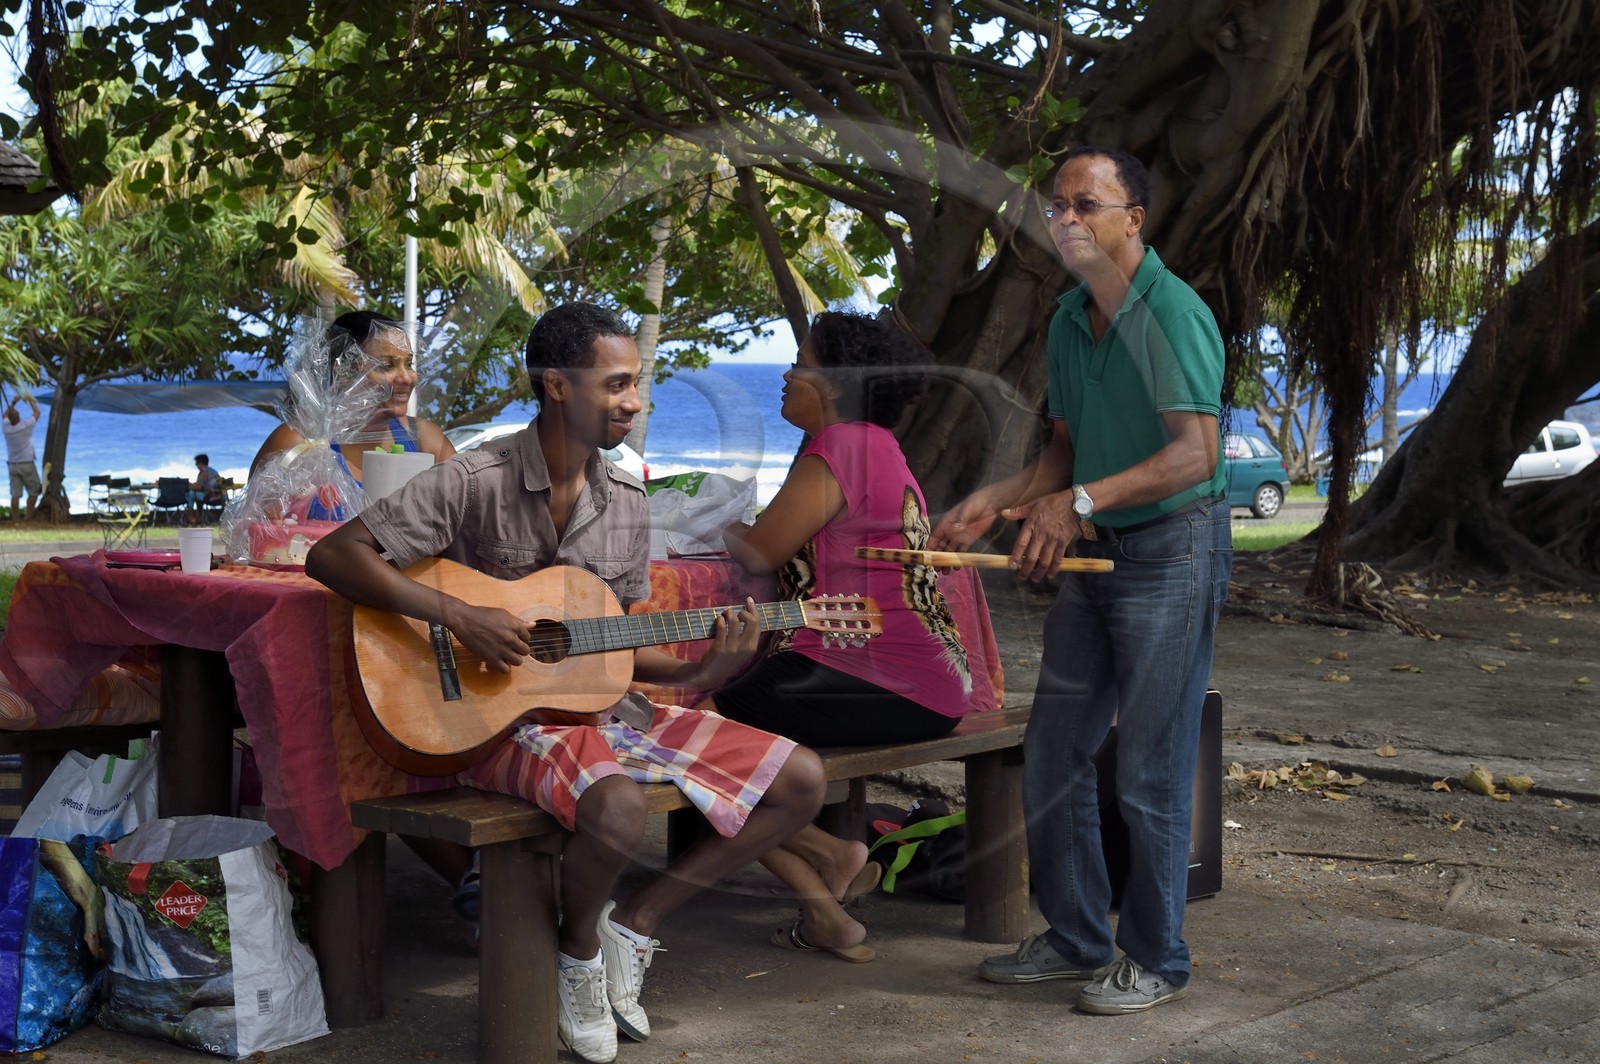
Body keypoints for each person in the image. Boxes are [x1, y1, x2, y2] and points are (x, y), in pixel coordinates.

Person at [305, 302, 826, 1064]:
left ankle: (634, 924)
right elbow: (335, 558)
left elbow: (600, 644)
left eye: (637, 385)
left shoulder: (627, 500)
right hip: (489, 721)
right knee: (615, 808)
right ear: (556, 387)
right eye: (617, 384)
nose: (635, 401)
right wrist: (461, 616)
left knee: (801, 780)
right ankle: (577, 951)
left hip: (593, 714)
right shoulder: (473, 477)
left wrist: (700, 670)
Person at [930, 146, 1231, 1015]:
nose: (1065, 218)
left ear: (1132, 219)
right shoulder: (1069, 317)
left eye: (1086, 204)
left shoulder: (1170, 315)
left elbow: (1195, 453)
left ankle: (1156, 958)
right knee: (1055, 750)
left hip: (1174, 550)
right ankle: (1074, 937)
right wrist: (994, 499)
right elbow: (1061, 452)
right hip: (1100, 555)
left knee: (1148, 767)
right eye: (1057, 204)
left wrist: (1078, 504)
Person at [702, 311, 972, 962]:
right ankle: (825, 892)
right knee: (713, 749)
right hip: (927, 683)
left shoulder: (842, 447)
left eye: (801, 363)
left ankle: (830, 859)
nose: (789, 376)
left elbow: (762, 553)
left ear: (837, 383)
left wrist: (718, 523)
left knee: (692, 738)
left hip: (865, 674)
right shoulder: (879, 446)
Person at [249, 310, 456, 494]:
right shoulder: (298, 446)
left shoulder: (426, 443)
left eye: (408, 364)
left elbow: (466, 519)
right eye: (386, 366)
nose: (407, 378)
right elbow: (254, 528)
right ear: (344, 371)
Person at [4, 394, 41, 521]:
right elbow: (37, 412)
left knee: (15, 494)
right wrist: (30, 400)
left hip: (13, 465)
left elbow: (5, 415)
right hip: (27, 464)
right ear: (18, 417)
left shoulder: (7, 429)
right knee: (34, 491)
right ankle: (27, 517)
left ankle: (15, 520)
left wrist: (14, 402)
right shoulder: (26, 426)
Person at [183, 453, 222, 525]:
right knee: (196, 495)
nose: (196, 465)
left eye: (196, 463)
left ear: (200, 463)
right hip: (218, 496)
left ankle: (191, 517)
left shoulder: (204, 472)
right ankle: (198, 517)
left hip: (210, 497)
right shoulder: (211, 471)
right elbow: (200, 484)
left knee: (191, 494)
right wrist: (191, 485)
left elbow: (199, 487)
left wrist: (188, 486)